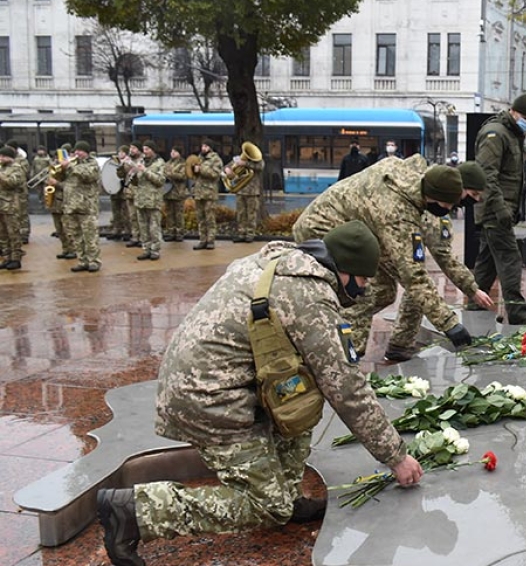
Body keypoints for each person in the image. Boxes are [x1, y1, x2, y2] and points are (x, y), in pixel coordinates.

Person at [95, 221, 424, 566]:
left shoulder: (283, 260)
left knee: (302, 393)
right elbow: (345, 385)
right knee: (268, 507)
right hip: (209, 398)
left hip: (215, 380)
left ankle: (288, 492)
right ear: (345, 271)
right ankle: (135, 512)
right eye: (363, 280)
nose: (364, 289)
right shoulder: (309, 296)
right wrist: (395, 456)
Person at [293, 156, 492, 355]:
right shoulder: (399, 214)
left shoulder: (414, 180)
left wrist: (470, 289)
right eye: (448, 204)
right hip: (322, 227)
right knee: (362, 293)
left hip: (363, 229)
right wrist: (450, 324)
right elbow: (413, 276)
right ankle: (347, 356)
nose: (449, 210)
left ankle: (341, 329)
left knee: (385, 292)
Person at [383, 161, 496, 363]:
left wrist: (471, 288)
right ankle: (352, 350)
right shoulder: (436, 209)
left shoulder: (433, 194)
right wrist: (451, 322)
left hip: (390, 247)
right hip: (386, 248)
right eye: (474, 194)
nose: (475, 200)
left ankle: (397, 346)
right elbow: (444, 257)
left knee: (410, 291)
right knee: (400, 291)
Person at [472, 93, 526, 325]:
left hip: (502, 209)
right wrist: (500, 209)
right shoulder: (496, 134)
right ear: (513, 111)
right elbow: (486, 175)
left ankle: (474, 306)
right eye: (525, 117)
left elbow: (512, 177)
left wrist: (514, 208)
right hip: (493, 210)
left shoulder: (513, 134)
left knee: (488, 262)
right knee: (511, 258)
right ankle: (518, 313)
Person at [49, 141, 102, 272]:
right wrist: (57, 175)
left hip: (87, 206)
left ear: (86, 152)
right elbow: (67, 185)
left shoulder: (92, 163)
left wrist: (69, 167)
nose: (77, 153)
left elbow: (88, 176)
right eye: (76, 150)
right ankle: (82, 260)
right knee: (76, 236)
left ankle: (93, 261)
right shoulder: (72, 164)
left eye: (80, 151)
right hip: (71, 206)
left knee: (90, 236)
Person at [134, 141, 167, 261]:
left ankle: (155, 250)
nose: (145, 151)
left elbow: (160, 180)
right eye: (144, 149)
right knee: (143, 227)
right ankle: (146, 249)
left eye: (147, 149)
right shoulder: (141, 162)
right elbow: (136, 181)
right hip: (141, 199)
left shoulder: (160, 162)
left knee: (154, 227)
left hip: (153, 200)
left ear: (153, 150)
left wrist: (145, 171)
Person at [230, 142, 264, 243]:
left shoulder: (258, 160)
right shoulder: (238, 159)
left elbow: (260, 167)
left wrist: (246, 164)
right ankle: (241, 233)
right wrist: (228, 171)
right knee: (241, 214)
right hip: (240, 190)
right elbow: (229, 169)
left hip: (252, 191)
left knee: (251, 214)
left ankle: (250, 234)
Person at [192, 140, 224, 250]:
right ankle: (202, 240)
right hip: (199, 192)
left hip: (210, 193)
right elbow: (194, 175)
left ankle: (210, 241)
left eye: (205, 146)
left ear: (210, 147)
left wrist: (201, 169)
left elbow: (215, 174)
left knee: (210, 218)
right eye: (202, 145)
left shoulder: (215, 159)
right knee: (200, 218)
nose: (203, 148)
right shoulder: (198, 158)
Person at [0, 146, 25, 269]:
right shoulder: (2, 168)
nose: (1, 158)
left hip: (11, 205)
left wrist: (1, 177)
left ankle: (16, 258)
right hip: (1, 205)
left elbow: (12, 183)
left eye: (3, 156)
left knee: (13, 233)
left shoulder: (17, 168)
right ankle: (6, 257)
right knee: (2, 234)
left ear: (9, 157)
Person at [48, 144, 76, 259]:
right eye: (56, 158)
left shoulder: (70, 170)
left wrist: (57, 183)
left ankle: (73, 249)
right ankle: (65, 249)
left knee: (67, 228)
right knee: (59, 229)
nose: (57, 161)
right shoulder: (55, 169)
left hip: (65, 202)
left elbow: (71, 186)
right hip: (55, 202)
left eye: (59, 159)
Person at [162, 145, 190, 242]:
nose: (172, 153)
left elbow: (182, 176)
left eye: (175, 151)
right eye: (172, 151)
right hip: (168, 192)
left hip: (178, 192)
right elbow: (162, 172)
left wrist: (170, 174)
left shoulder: (183, 164)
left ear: (179, 153)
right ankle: (170, 232)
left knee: (179, 214)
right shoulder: (167, 163)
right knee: (169, 214)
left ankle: (179, 233)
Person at [5, 139, 30, 244]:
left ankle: (24, 234)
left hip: (21, 190)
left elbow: (24, 172)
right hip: (11, 191)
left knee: (23, 213)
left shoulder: (21, 159)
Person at [123, 141, 145, 248]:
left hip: (139, 192)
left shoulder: (143, 159)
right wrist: (122, 165)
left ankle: (142, 238)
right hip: (129, 192)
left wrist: (130, 163)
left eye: (134, 148)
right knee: (132, 216)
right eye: (131, 148)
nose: (131, 150)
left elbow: (138, 170)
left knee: (140, 216)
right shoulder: (128, 160)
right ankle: (135, 236)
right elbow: (122, 174)